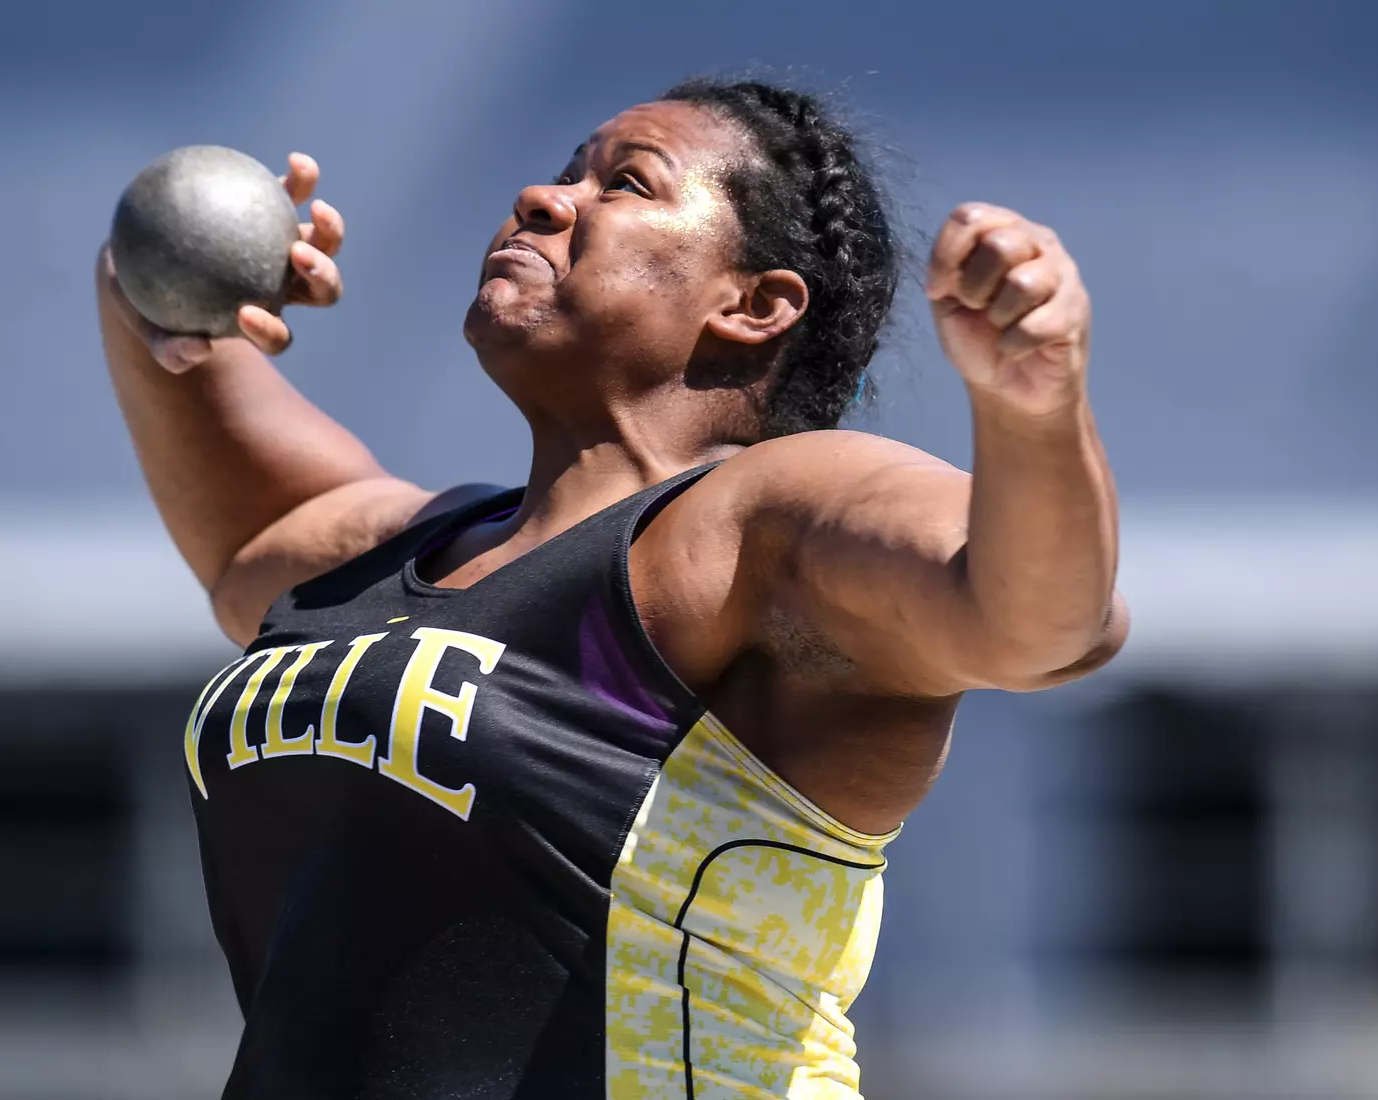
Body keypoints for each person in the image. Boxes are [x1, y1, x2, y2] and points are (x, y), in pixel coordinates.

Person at [97, 78, 1126, 1100]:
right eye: (563, 173)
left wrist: (1038, 410)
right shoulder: (397, 549)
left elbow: (1041, 620)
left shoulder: (760, 520)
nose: (542, 199)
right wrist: (178, 277)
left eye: (626, 183)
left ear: (753, 305)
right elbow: (246, 529)